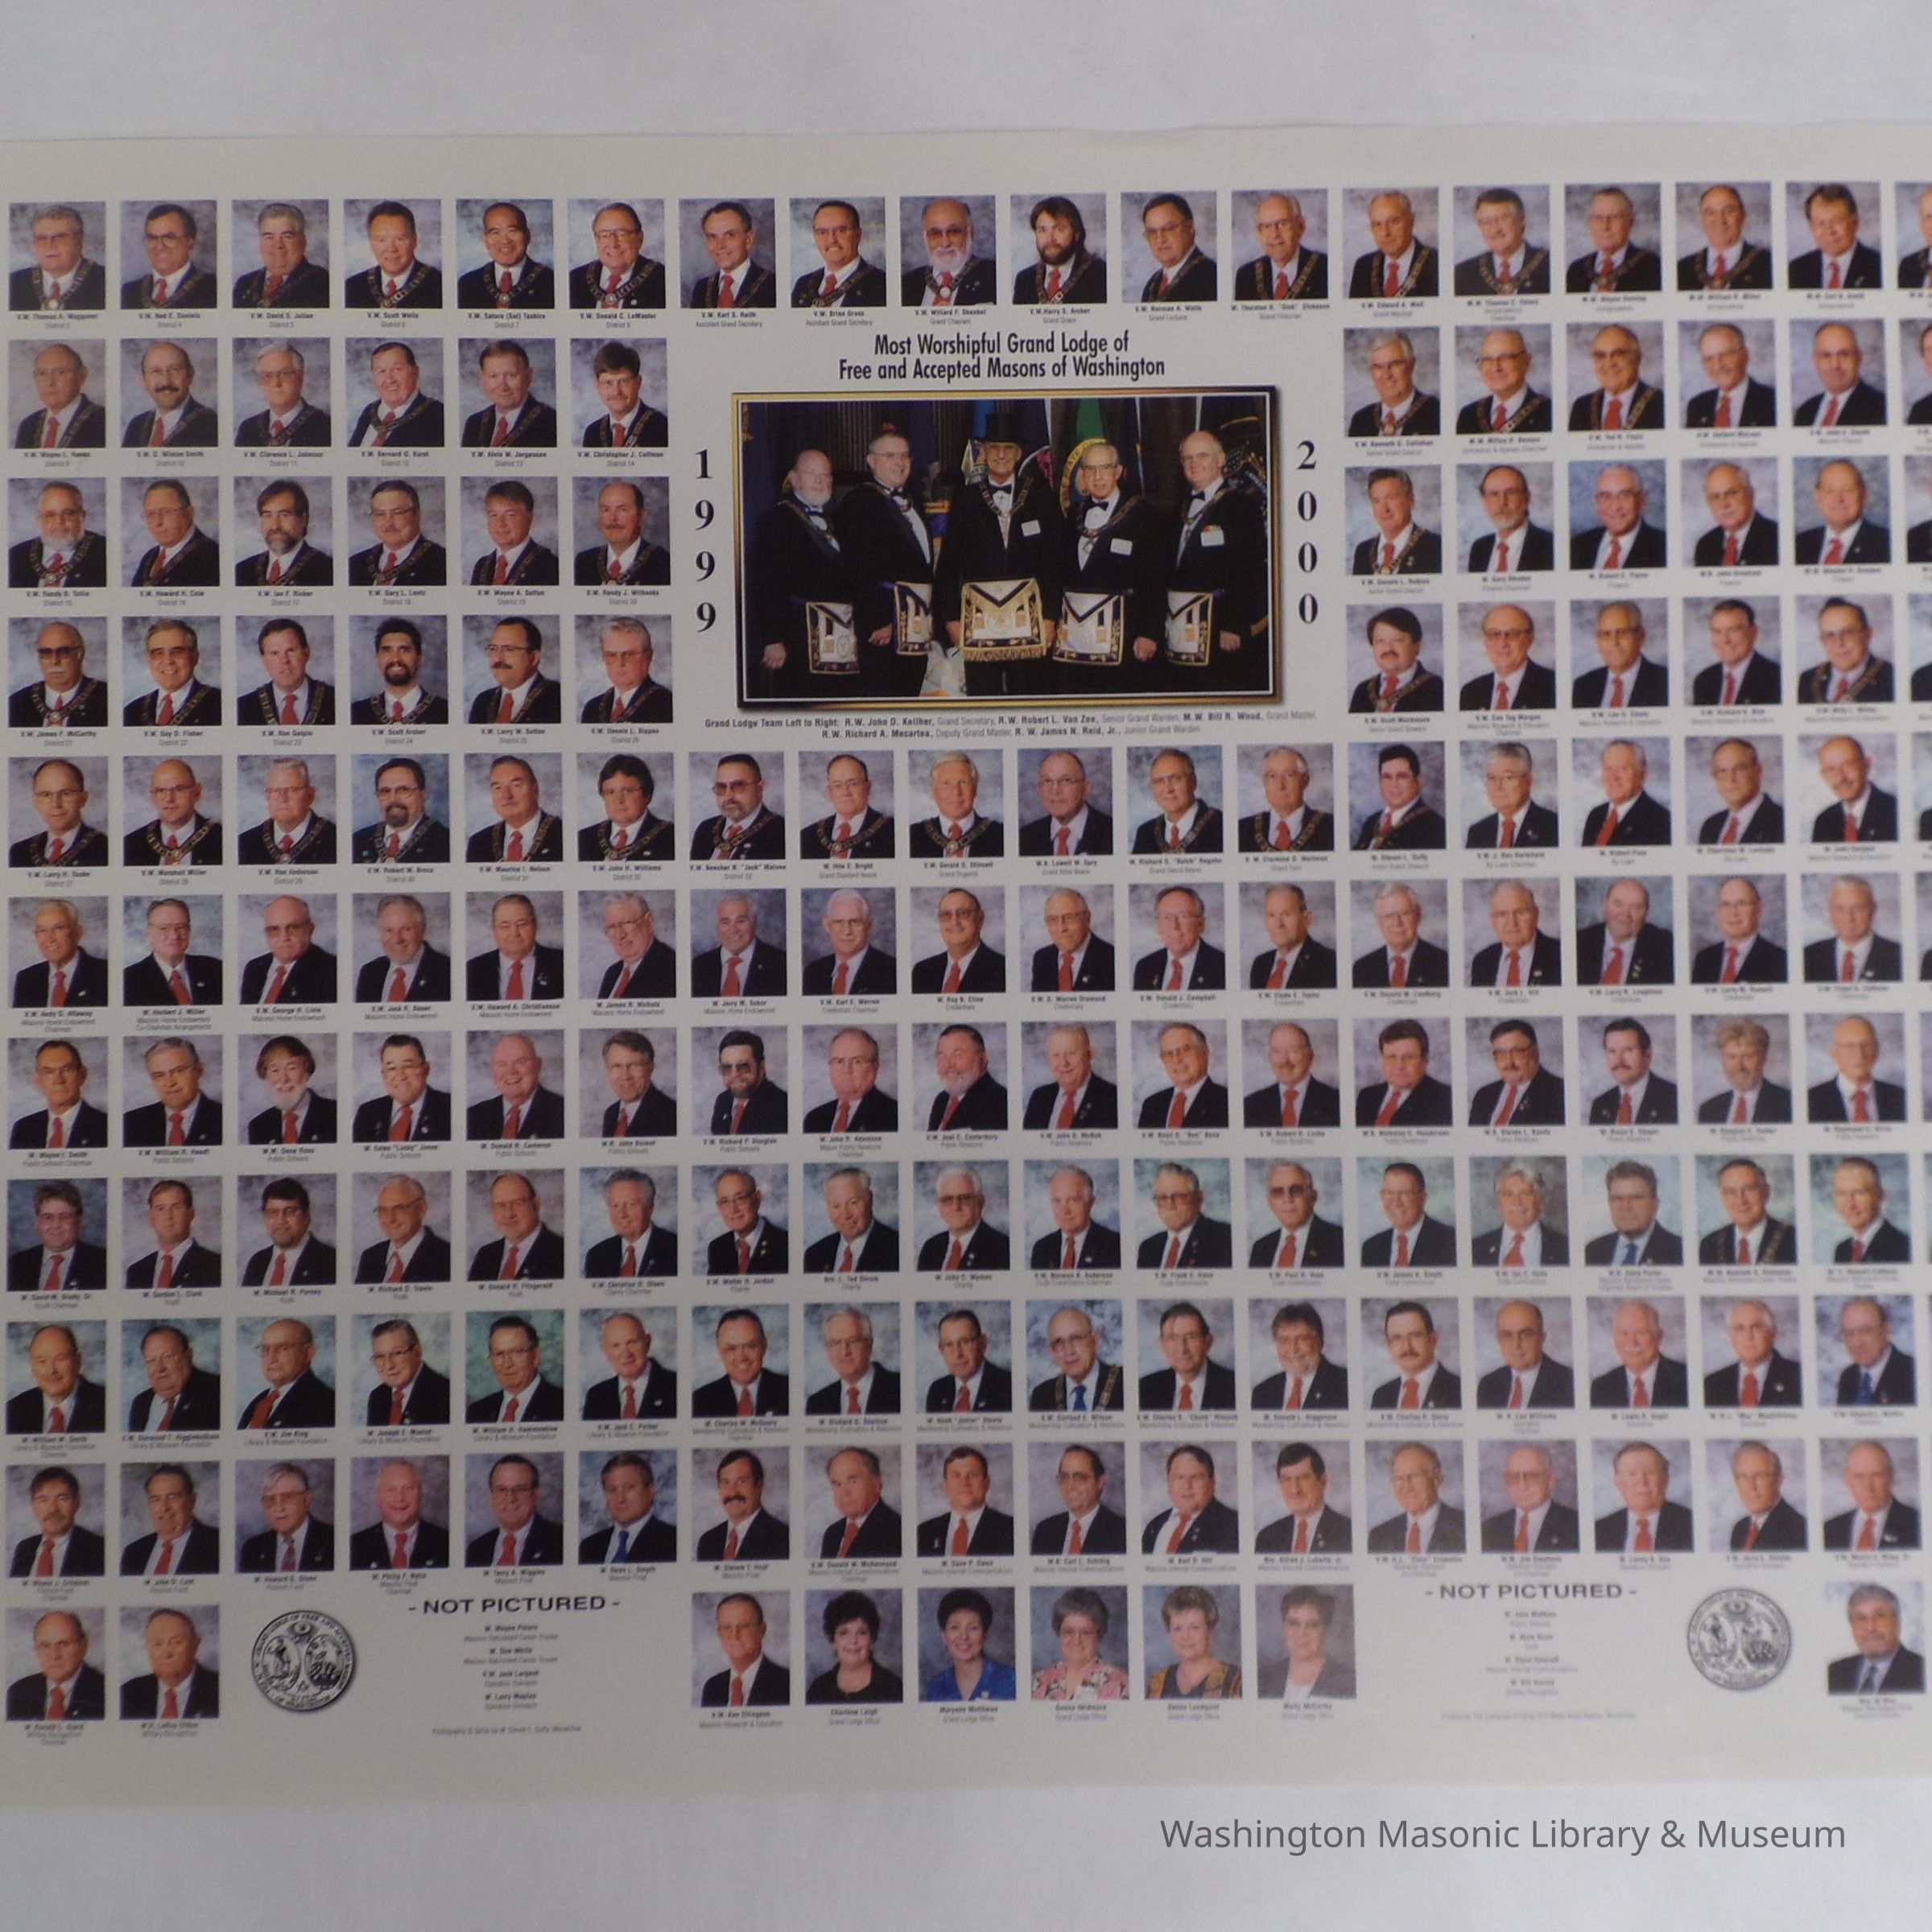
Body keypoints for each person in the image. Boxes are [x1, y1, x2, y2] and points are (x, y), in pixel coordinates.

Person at [1057, 441, 1170, 687]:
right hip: (1076, 642)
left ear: (1118, 471)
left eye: (1105, 468)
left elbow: (1156, 580)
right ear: (1082, 474)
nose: (1097, 477)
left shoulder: (1144, 516)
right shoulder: (1072, 515)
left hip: (1125, 642)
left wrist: (1149, 633)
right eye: (1090, 469)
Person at [347, 1459, 450, 1570]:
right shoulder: (354, 1545)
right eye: (391, 1490)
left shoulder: (446, 1543)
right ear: (378, 1496)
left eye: (409, 1488)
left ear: (421, 1493)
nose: (400, 1497)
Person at [464, 894, 564, 1006]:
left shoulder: (562, 964)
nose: (514, 933)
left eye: (522, 924)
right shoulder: (472, 970)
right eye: (505, 926)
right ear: (494, 930)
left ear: (535, 926)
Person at [465, 1454, 564, 1567]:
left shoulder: (560, 1542)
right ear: (491, 1497)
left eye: (520, 1489)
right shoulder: (476, 1550)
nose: (511, 1498)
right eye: (502, 1490)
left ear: (536, 1496)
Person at [121, 1036, 222, 1147]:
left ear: (199, 1070)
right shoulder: (130, 1123)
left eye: (179, 1071)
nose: (170, 1083)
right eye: (159, 1075)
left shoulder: (223, 1118)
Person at [1032, 1587, 1129, 1702]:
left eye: (1086, 1633)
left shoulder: (1122, 1684)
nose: (1077, 1640)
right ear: (1059, 1633)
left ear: (1099, 1635)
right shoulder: (1039, 1681)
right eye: (1069, 1632)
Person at [119, 1609, 218, 1720]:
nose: (166, 1654)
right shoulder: (127, 1694)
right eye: (157, 1644)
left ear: (195, 1645)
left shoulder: (219, 1690)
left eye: (176, 1642)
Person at [123, 755, 221, 869]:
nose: (169, 799)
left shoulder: (222, 841)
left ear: (196, 793)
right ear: (153, 797)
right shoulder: (130, 845)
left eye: (179, 789)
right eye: (160, 791)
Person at [1802, 873, 1902, 983]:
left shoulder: (1898, 956)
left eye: (1858, 908)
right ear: (1830, 911)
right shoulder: (1808, 956)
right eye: (1840, 908)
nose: (1849, 918)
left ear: (1873, 909)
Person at [237, 759, 339, 868]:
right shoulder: (245, 843)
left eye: (292, 790)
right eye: (275, 790)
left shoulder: (335, 840)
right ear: (267, 796)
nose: (283, 799)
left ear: (310, 795)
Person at [1703, 1298, 1802, 1408]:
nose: (1748, 1336)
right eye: (1740, 1328)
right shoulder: (1711, 1384)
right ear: (1731, 1337)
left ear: (1772, 1333)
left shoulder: (1799, 1377)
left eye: (1756, 1327)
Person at [1595, 1443, 1695, 1553]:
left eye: (1651, 1473)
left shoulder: (1692, 1524)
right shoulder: (1598, 1530)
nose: (1642, 1482)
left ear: (1665, 1480)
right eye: (1632, 1474)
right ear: (1618, 1482)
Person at [1479, 1445, 1579, 1554]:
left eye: (1532, 1476)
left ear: (1550, 1480)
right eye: (1514, 1477)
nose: (1522, 1486)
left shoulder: (1577, 1526)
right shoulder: (1488, 1529)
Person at [1025, 1162, 1123, 1274]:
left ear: (1091, 1202)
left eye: (1073, 1200)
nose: (1064, 1211)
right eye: (1057, 1201)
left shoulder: (1115, 1246)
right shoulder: (1042, 1248)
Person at [464, 753, 563, 865]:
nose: (507, 795)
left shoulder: (562, 835)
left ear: (535, 790)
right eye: (498, 787)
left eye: (516, 785)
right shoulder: (479, 843)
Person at [6, 1181, 104, 1292]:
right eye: (48, 1217)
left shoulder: (102, 1263)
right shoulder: (15, 1264)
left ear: (79, 1222)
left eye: (64, 1217)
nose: (56, 1225)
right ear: (37, 1223)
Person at [6, 1326, 105, 1436]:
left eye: (60, 1359)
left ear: (78, 1362)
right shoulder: (12, 1411)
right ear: (32, 1366)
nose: (51, 1370)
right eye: (42, 1361)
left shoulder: (105, 1404)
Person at [464, 1174, 567, 1282]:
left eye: (518, 1203)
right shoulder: (485, 1256)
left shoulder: (561, 1253)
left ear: (536, 1206)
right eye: (501, 1205)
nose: (509, 1214)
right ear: (492, 1210)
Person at [119, 1466, 218, 1576]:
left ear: (192, 1501)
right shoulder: (133, 1553)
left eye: (173, 1497)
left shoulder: (217, 1546)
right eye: (155, 1499)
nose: (164, 1507)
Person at [1148, 1585, 1242, 1700]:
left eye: (1195, 1627)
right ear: (1170, 1634)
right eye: (1177, 1628)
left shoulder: (1234, 1681)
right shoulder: (1157, 1683)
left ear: (1210, 1633)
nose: (1185, 1636)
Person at [916, 1445, 1013, 1557]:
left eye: (973, 1475)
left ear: (987, 1483)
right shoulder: (924, 1532)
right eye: (956, 1476)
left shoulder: (1010, 1530)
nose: (965, 1483)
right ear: (945, 1485)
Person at [1367, 1443, 1464, 1554]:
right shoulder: (1378, 1536)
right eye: (1399, 1479)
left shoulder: (1465, 1528)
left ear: (1436, 1479)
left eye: (1415, 1476)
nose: (1407, 1487)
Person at [580, 1452, 675, 1565]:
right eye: (613, 1490)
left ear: (650, 1492)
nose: (621, 1499)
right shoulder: (588, 1547)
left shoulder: (673, 1541)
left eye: (630, 1488)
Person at [808, 1591, 903, 1705]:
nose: (853, 1640)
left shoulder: (894, 1688)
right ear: (833, 1640)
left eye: (862, 1633)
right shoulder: (818, 1689)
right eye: (844, 1633)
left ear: (872, 1639)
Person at [10, 1038, 106, 1149]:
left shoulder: (104, 1126)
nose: (59, 1080)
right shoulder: (23, 1129)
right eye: (49, 1072)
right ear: (38, 1081)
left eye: (67, 1070)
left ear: (82, 1075)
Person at [1828, 1586, 1926, 1696]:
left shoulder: (1922, 1671)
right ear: (1852, 1626)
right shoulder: (1834, 1672)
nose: (1871, 1628)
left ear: (1897, 1622)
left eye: (1880, 1616)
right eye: (1861, 1618)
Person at [1356, 1019, 1454, 1129]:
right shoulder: (1367, 1096)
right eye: (1392, 1057)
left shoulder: (1445, 1099)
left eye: (1409, 1057)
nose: (1399, 1066)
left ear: (1425, 1061)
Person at [240, 894, 337, 1004]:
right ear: (266, 933)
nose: (284, 938)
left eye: (293, 928)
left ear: (310, 930)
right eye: (274, 929)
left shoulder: (332, 971)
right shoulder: (254, 968)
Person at [1590, 1298, 1688, 1408]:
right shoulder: (1600, 1387)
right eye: (1624, 1333)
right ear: (1614, 1338)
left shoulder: (1685, 1379)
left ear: (1659, 1337)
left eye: (1641, 1333)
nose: (1632, 1343)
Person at [1698, 1158, 1797, 1265]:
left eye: (1750, 1189)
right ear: (1723, 1197)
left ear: (1766, 1192)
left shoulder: (1794, 1240)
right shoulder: (1709, 1245)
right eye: (1731, 1192)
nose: (1741, 1200)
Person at [1138, 1301, 1236, 1411]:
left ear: (1208, 1342)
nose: (1182, 1349)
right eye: (1172, 1338)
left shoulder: (1234, 1386)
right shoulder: (1145, 1388)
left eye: (1192, 1337)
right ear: (1162, 1345)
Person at [1476, 1298, 1575, 1406]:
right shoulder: (1487, 1385)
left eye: (1526, 1334)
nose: (1516, 1345)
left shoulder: (1569, 1383)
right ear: (1499, 1340)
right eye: (1507, 1335)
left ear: (1542, 1339)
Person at [464, 1315, 564, 1422]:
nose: (507, 1364)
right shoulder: (475, 1412)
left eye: (517, 1352)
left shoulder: (561, 1405)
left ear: (536, 1357)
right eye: (499, 1354)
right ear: (490, 1360)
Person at [1584, 1161, 1684, 1268]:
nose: (1626, 1207)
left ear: (1655, 1204)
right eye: (1618, 1199)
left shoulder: (1679, 1251)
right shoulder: (1592, 1251)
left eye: (1636, 1198)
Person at [803, 1304, 901, 1414]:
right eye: (836, 1343)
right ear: (828, 1350)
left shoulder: (900, 1388)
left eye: (853, 1341)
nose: (845, 1352)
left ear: (869, 1345)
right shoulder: (816, 1403)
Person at [352, 761, 451, 869]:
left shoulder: (445, 843)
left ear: (423, 795)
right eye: (385, 791)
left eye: (403, 790)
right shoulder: (357, 841)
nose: (393, 799)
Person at [460, 341, 556, 451]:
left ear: (528, 377)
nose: (503, 387)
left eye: (511, 375)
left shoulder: (551, 423)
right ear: (482, 379)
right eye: (493, 376)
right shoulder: (474, 424)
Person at [1255, 1443, 1352, 1552]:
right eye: (1287, 1479)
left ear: (1323, 1481)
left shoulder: (1349, 1532)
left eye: (1304, 1478)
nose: (1295, 1489)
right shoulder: (1266, 1537)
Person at [354, 1179, 452, 1288]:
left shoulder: (447, 1258)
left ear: (421, 1209)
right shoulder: (370, 1257)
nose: (390, 1219)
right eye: (383, 1210)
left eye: (399, 1209)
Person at [125, 1323, 222, 1432]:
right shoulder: (140, 1404)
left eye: (167, 1357)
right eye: (151, 1361)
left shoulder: (217, 1391)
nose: (159, 1368)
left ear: (189, 1356)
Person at [11, 1469, 108, 1579]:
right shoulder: (24, 1548)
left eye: (62, 1499)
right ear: (33, 1507)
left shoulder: (99, 1549)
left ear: (76, 1504)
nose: (53, 1509)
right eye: (43, 1500)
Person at [1030, 1445, 1128, 1553]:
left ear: (1100, 1483)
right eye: (1064, 1477)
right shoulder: (1044, 1531)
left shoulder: (1122, 1531)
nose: (1070, 1486)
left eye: (1080, 1478)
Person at [237, 1463, 333, 1573]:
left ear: (306, 1500)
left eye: (288, 1498)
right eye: (271, 1500)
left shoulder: (333, 1541)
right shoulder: (252, 1549)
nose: (279, 1508)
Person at [801, 1170, 900, 1277]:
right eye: (836, 1206)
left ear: (870, 1199)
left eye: (853, 1203)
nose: (846, 1215)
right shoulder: (814, 1255)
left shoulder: (897, 1248)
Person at [790, 198, 886, 308]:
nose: (832, 240)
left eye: (841, 231)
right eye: (822, 232)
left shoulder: (881, 285)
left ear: (858, 235)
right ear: (815, 236)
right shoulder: (803, 284)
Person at [701, 1593, 791, 1709]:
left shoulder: (786, 1683)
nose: (734, 1636)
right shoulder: (712, 1687)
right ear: (719, 1633)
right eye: (727, 1628)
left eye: (744, 1626)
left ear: (762, 1630)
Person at [1469, 1020, 1566, 1129]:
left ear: (1535, 1052)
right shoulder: (1483, 1096)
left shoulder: (1560, 1093)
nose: (1509, 1062)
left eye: (1517, 1052)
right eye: (1501, 1054)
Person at [1141, 1446, 1239, 1553]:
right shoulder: (1154, 1526)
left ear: (1212, 1482)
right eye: (1179, 1478)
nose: (1187, 1486)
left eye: (1196, 1477)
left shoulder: (1234, 1526)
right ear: (1168, 1483)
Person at [584, 1167, 677, 1280]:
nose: (622, 1214)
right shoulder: (597, 1256)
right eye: (615, 1206)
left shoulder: (674, 1249)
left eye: (631, 1205)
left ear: (650, 1208)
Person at [691, 753, 787, 862]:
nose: (728, 796)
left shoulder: (780, 832)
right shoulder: (705, 830)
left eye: (738, 786)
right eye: (721, 787)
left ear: (760, 789)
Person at [925, 1587, 1015, 1703]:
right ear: (944, 1637)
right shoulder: (936, 1688)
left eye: (973, 1628)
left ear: (985, 1635)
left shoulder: (1011, 1681)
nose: (964, 1636)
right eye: (955, 1628)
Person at [1825, 1443, 1922, 1552]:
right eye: (1859, 1477)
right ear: (1848, 1480)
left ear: (1891, 1478)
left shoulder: (1918, 1525)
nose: (1868, 1487)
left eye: (1877, 1475)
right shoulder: (1829, 1529)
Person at [348, 480, 447, 585]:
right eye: (380, 514)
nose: (388, 523)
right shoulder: (354, 565)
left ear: (417, 515)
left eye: (398, 513)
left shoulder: (442, 563)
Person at [1253, 1302, 1348, 1411]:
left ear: (1320, 1342)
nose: (1293, 1349)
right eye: (1284, 1340)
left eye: (1302, 1339)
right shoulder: (1262, 1392)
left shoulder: (1345, 1385)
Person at [695, 1450, 788, 1563]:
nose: (732, 1492)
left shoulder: (783, 1539)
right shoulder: (707, 1542)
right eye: (725, 1482)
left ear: (759, 1486)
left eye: (742, 1481)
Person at [354, 899, 452, 1005]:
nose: (397, 939)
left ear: (422, 930)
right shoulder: (369, 972)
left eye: (406, 929)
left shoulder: (447, 972)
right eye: (389, 930)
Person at [9, 621, 105, 729]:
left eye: (64, 652)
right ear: (39, 658)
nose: (55, 661)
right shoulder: (17, 704)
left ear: (80, 654)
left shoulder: (105, 698)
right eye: (46, 653)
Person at [1455, 328, 1552, 436]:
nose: (1496, 367)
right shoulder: (1468, 416)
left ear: (1526, 362)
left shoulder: (1549, 412)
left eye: (1506, 358)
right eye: (1488, 359)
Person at [1578, 880, 1673, 989]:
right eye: (1618, 904)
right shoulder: (1579, 942)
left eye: (1636, 907)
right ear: (1605, 904)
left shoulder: (1667, 948)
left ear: (1647, 912)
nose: (1625, 914)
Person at [345, 199, 441, 308]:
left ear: (414, 241)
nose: (391, 249)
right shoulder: (352, 288)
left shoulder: (438, 286)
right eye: (381, 240)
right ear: (371, 244)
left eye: (400, 239)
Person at [1137, 1163, 1233, 1270]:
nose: (1170, 1205)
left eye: (1179, 1197)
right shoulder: (1148, 1248)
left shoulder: (1224, 1238)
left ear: (1199, 1198)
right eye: (1163, 1198)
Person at [235, 480, 332, 587]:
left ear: (303, 520)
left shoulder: (328, 571)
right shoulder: (242, 571)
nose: (275, 526)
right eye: (268, 515)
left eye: (284, 515)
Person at [576, 482, 670, 592]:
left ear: (642, 516)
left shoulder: (663, 563)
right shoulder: (584, 562)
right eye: (606, 510)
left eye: (623, 509)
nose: (613, 518)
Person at [122, 340, 217, 448]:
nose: (166, 381)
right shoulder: (136, 426)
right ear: (144, 381)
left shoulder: (211, 425)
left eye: (175, 370)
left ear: (190, 375)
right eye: (156, 371)